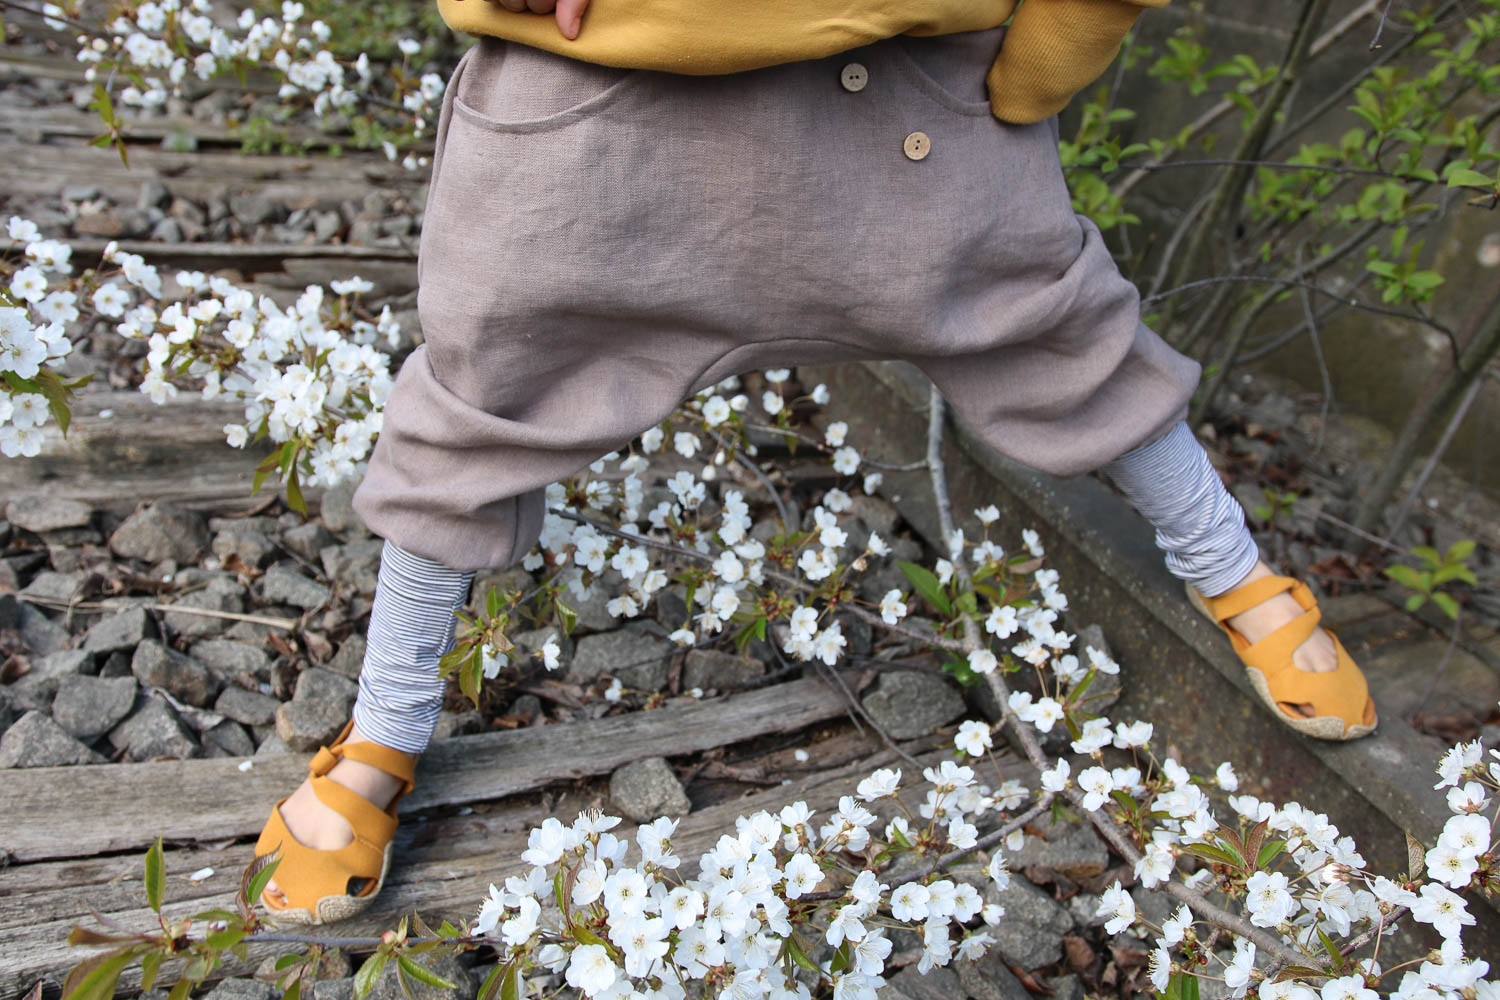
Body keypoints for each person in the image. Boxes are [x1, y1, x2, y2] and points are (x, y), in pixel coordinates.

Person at [255, 0, 1377, 925]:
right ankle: (383, 731)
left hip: (913, 109)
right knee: (480, 402)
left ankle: (1230, 567)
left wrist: (1046, 54)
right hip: (600, 109)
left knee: (1066, 337)